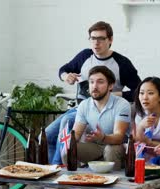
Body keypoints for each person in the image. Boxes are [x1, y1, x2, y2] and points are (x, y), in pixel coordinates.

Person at [46, 21, 141, 163]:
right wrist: (66, 76)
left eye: (101, 38)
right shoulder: (84, 56)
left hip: (107, 109)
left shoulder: (122, 63)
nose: (96, 43)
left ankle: (56, 170)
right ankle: (57, 167)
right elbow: (63, 69)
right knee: (48, 135)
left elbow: (139, 91)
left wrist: (116, 94)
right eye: (93, 38)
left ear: (110, 40)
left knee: (66, 122)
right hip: (81, 108)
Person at [70, 65, 130, 171]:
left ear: (111, 86)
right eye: (91, 82)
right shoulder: (84, 105)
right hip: (95, 147)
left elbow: (119, 137)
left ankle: (115, 184)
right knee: (69, 148)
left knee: (110, 149)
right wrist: (67, 138)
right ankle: (75, 183)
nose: (94, 86)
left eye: (100, 82)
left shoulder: (122, 104)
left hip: (117, 147)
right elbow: (76, 134)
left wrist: (103, 137)